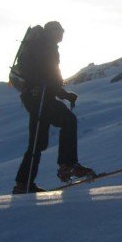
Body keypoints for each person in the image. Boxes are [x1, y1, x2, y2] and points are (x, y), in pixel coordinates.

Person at [13, 21, 94, 194]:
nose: (62, 34)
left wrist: (65, 95)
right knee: (68, 120)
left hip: (34, 98)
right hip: (40, 97)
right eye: (60, 30)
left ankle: (23, 184)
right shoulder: (46, 46)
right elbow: (51, 78)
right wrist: (61, 93)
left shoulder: (39, 45)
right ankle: (68, 165)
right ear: (52, 31)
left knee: (37, 143)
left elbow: (49, 80)